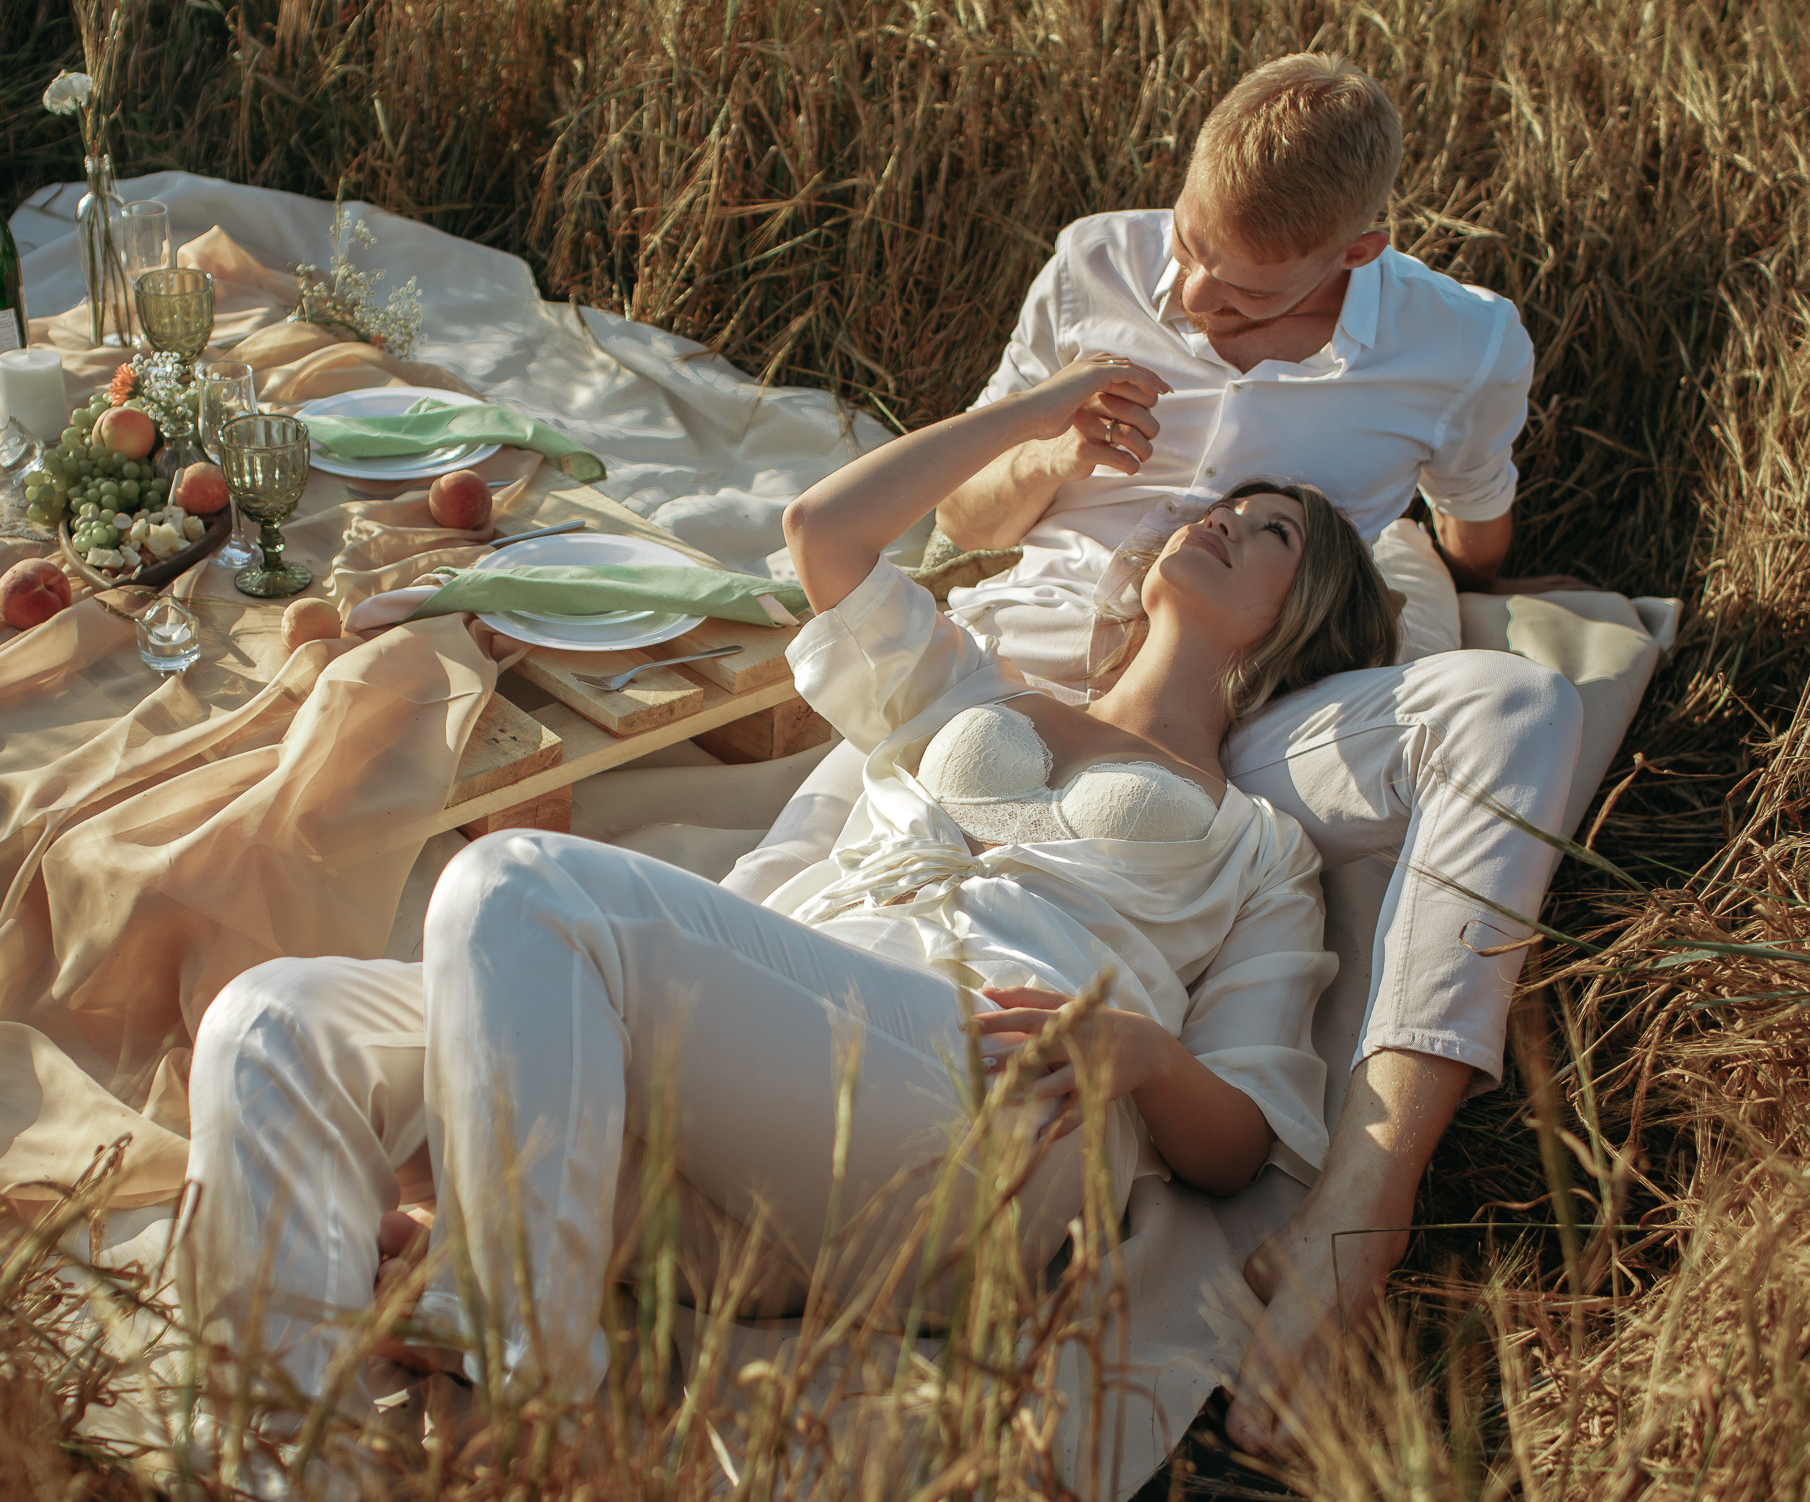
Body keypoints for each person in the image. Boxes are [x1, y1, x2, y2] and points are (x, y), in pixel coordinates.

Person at [182, 350, 1401, 1493]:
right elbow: (825, 530)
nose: (1224, 517)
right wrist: (1043, 410)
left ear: (1311, 617)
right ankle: (288, 1466)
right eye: (1220, 505)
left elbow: (1243, 1141)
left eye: (1274, 528)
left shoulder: (1260, 846)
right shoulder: (979, 687)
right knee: (270, 1018)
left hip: (971, 1100)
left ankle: (534, 1395)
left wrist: (1141, 1056)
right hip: (773, 1043)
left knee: (514, 886)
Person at [722, 51, 1588, 1453]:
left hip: (1266, 693)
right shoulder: (1097, 263)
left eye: (1238, 290)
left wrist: (1430, 575)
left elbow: (1480, 520)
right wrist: (1057, 446)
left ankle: (1359, 1216)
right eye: (1185, 248)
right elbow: (978, 523)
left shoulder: (1465, 341)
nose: (1189, 301)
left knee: (1522, 710)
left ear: (1357, 254)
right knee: (825, 861)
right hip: (1033, 647)